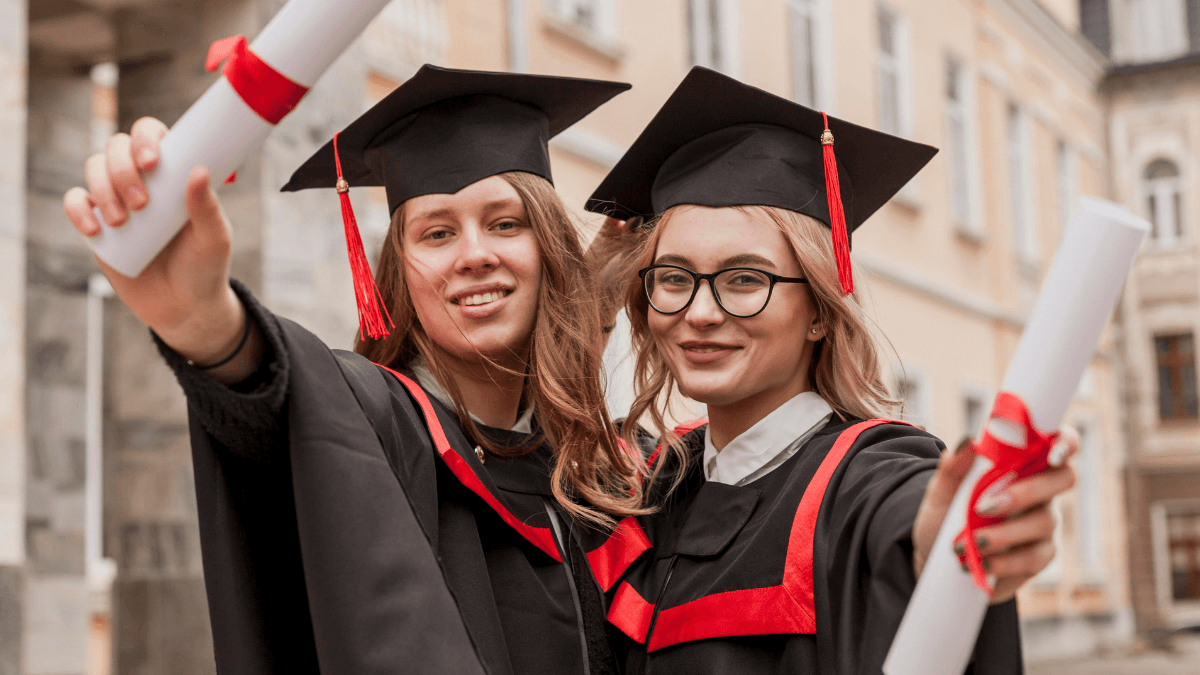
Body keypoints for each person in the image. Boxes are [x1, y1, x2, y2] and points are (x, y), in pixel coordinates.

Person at [63, 65, 654, 675]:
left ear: (550, 250)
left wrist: (587, 313)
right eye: (437, 233)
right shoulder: (378, 422)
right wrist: (205, 325)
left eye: (506, 224)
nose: (474, 254)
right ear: (398, 271)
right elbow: (289, 395)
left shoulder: (599, 468)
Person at [584, 67, 1079, 674]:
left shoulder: (866, 474)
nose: (701, 312)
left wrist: (941, 539)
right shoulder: (657, 482)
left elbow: (908, 516)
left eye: (745, 279)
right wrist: (589, 295)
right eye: (675, 279)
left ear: (819, 310)